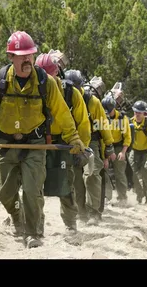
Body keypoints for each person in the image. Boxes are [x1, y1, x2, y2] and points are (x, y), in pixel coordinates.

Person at [0, 31, 85, 248]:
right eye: (22, 55)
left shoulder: (45, 83)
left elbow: (62, 113)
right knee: (6, 193)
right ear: (11, 57)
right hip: (5, 143)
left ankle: (33, 234)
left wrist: (74, 138)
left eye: (30, 54)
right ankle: (16, 217)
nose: (27, 59)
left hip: (35, 144)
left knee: (32, 190)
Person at [35, 51, 91, 234]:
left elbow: (83, 123)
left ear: (57, 75)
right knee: (33, 186)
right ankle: (36, 226)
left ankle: (70, 225)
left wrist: (82, 148)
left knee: (66, 186)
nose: (45, 81)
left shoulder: (71, 94)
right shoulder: (31, 91)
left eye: (48, 76)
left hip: (64, 144)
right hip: (38, 141)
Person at [65, 70, 116, 225]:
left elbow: (102, 125)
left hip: (91, 141)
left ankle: (94, 211)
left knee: (92, 175)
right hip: (72, 141)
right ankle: (81, 213)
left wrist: (109, 146)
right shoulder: (64, 98)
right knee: (76, 179)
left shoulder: (92, 101)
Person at [101, 96, 131, 205]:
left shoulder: (122, 119)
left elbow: (127, 137)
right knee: (103, 171)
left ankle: (122, 198)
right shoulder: (101, 118)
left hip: (119, 146)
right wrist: (105, 156)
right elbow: (101, 137)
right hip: (105, 145)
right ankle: (105, 197)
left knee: (120, 172)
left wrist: (123, 152)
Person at [129, 100, 147, 204]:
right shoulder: (130, 122)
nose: (137, 115)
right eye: (135, 112)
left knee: (146, 176)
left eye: (139, 113)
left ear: (144, 113)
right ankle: (139, 197)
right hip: (134, 151)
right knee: (134, 175)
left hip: (146, 152)